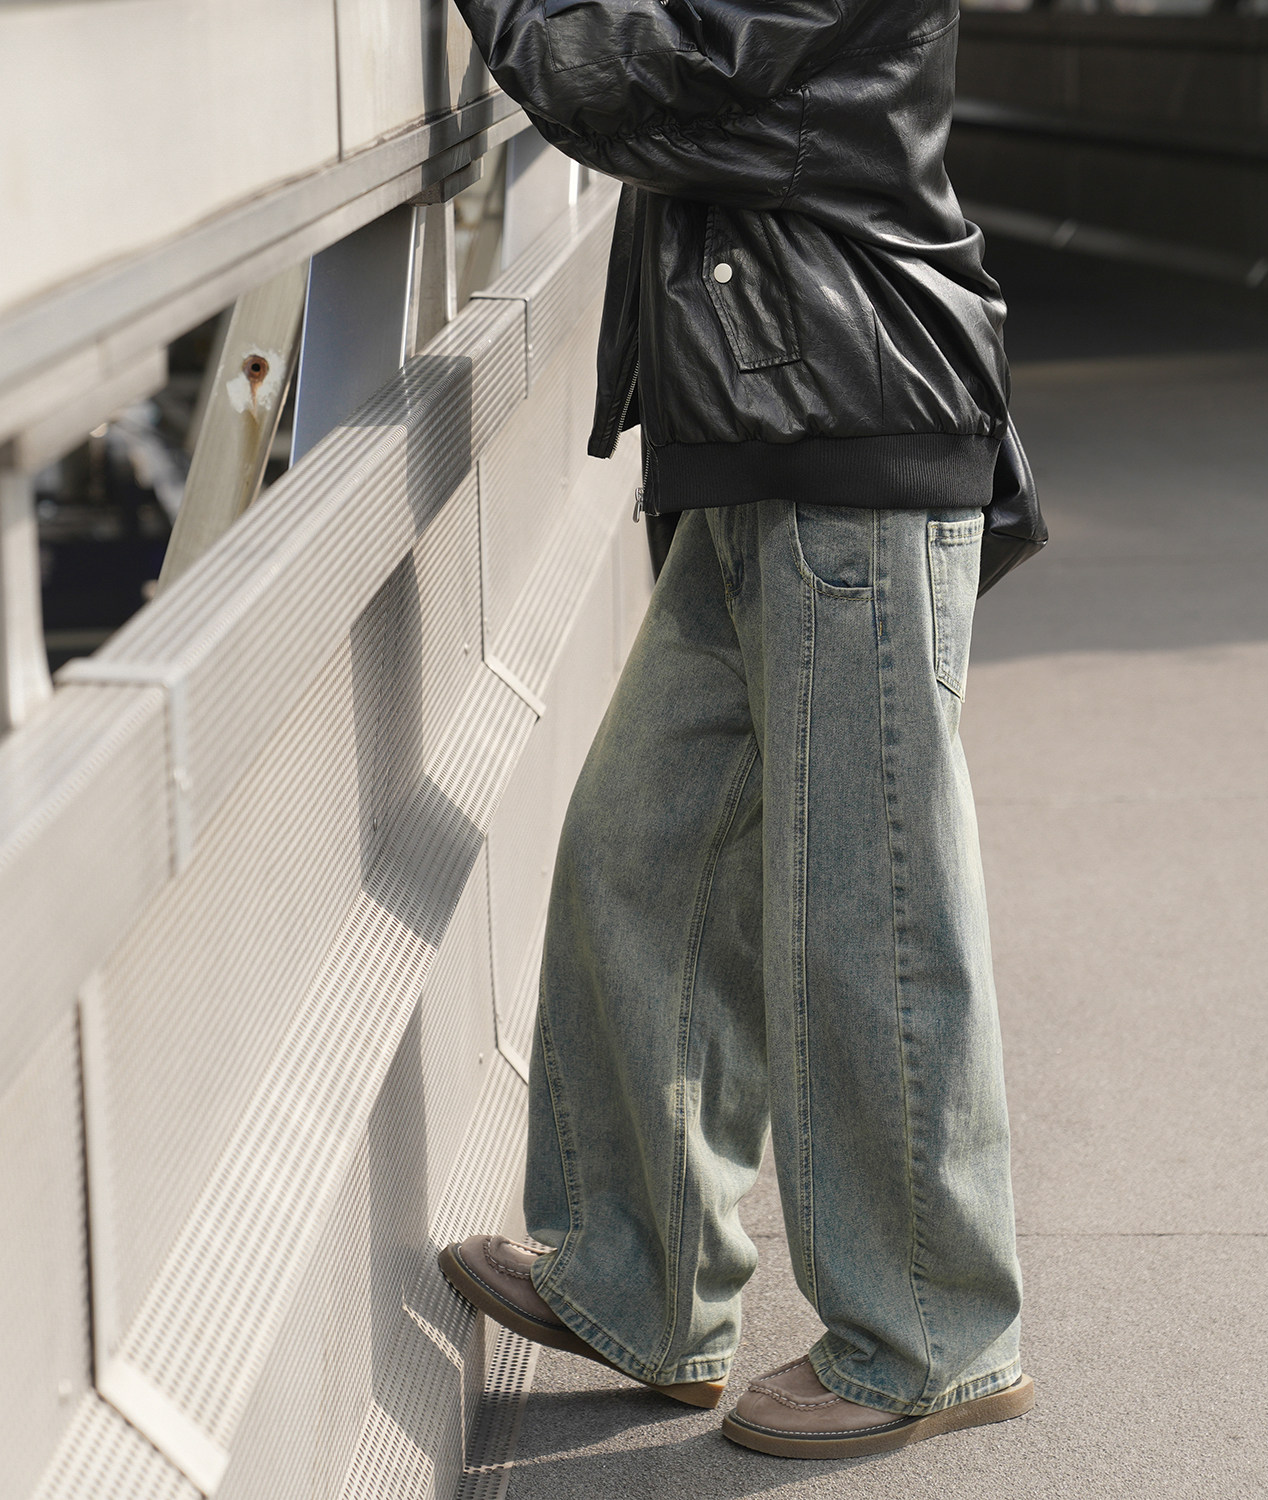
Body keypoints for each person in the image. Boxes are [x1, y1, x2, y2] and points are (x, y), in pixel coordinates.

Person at [438, 0, 1030, 1458]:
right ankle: (639, 1281)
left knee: (869, 908)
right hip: (770, 436)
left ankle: (930, 1334)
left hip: (848, 441)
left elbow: (616, 68)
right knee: (647, 854)